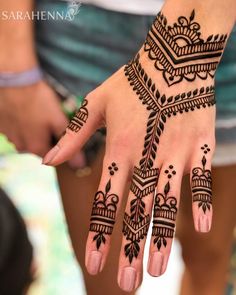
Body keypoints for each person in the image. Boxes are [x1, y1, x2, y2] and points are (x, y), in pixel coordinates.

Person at [0, 1, 236, 295]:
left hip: (219, 41)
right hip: (79, 25)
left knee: (209, 255)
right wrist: (11, 66)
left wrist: (185, 50)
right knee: (104, 273)